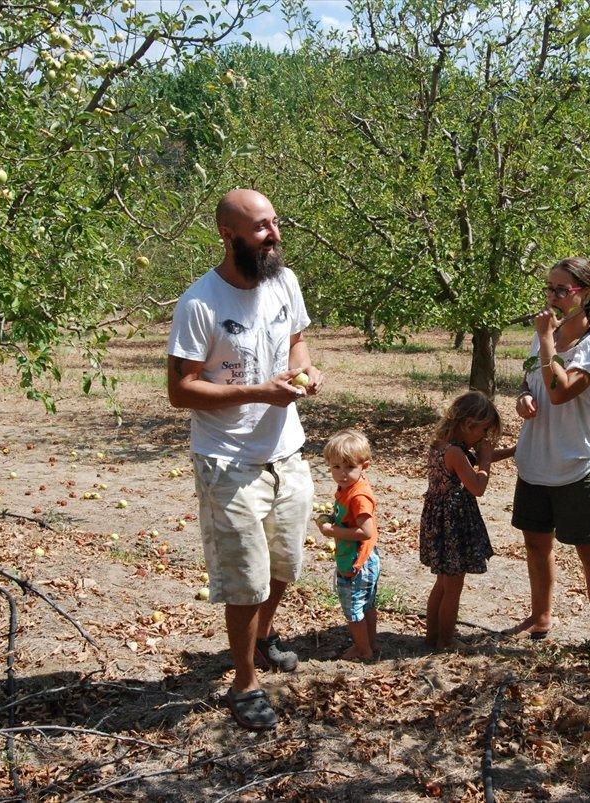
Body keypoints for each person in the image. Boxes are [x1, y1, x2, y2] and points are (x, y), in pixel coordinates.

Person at [166, 188, 323, 731]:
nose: (273, 235)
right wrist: (259, 392)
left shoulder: (284, 281)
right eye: (260, 228)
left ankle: (263, 636)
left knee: (283, 565)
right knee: (245, 580)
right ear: (227, 234)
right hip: (228, 462)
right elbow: (181, 390)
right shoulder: (200, 304)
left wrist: (306, 371)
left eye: (274, 223)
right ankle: (244, 683)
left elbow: (296, 341)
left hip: (287, 451)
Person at [509, 257, 590, 664]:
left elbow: (561, 392)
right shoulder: (545, 336)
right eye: (550, 288)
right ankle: (540, 617)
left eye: (563, 290)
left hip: (578, 465)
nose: (553, 297)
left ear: (585, 294)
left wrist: (546, 339)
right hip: (536, 462)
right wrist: (522, 397)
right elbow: (534, 384)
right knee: (535, 544)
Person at [419, 391, 514, 650]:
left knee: (443, 583)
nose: (484, 437)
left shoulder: (443, 445)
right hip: (453, 525)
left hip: (440, 521)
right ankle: (446, 640)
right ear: (468, 425)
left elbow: (479, 458)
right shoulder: (455, 453)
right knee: (453, 586)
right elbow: (477, 486)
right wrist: (486, 461)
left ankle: (432, 636)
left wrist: (511, 452)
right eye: (483, 431)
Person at [316, 429, 381, 661]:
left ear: (365, 466)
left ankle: (363, 650)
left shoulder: (358, 496)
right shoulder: (349, 487)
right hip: (366, 558)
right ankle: (370, 643)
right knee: (367, 605)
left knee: (354, 610)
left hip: (356, 562)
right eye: (336, 467)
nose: (342, 474)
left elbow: (366, 531)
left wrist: (331, 530)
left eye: (350, 467)